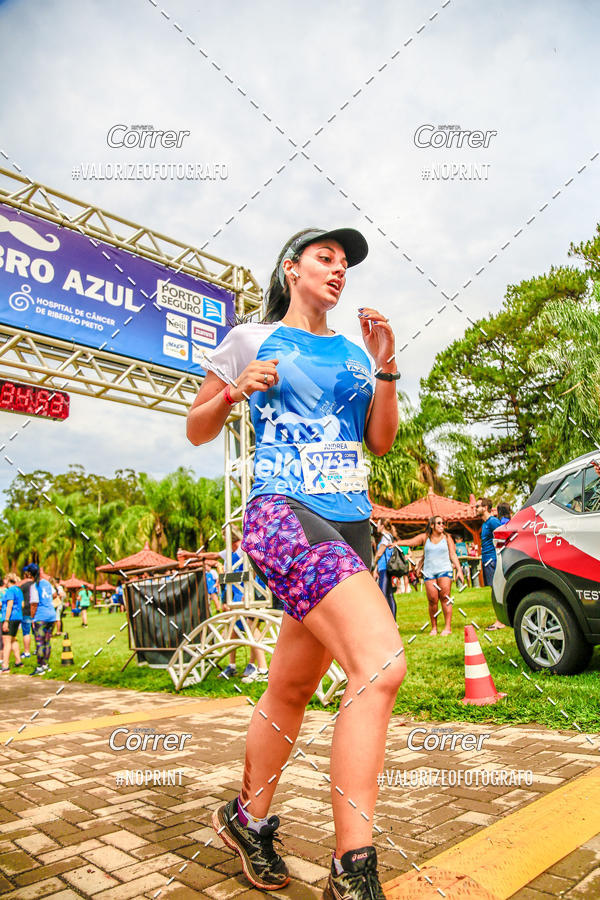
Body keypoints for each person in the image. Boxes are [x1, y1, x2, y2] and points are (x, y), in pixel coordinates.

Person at [188, 226, 405, 899]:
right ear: (292, 268)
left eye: (345, 263)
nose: (339, 270)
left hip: (350, 523)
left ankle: (246, 819)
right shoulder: (250, 339)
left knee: (290, 687)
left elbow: (380, 441)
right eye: (325, 258)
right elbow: (195, 427)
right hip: (283, 511)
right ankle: (353, 869)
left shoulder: (355, 353)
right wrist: (233, 392)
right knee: (381, 665)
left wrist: (386, 366)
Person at [217, 528, 269, 684]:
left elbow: (253, 570)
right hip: (241, 595)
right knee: (238, 629)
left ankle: (260, 668)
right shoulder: (231, 554)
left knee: (252, 626)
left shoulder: (244, 547)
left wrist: (249, 591)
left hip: (253, 592)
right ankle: (235, 666)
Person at [406, 517, 464, 635]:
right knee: (432, 600)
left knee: (445, 598)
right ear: (432, 525)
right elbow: (414, 544)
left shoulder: (447, 538)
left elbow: (452, 554)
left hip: (444, 570)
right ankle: (434, 627)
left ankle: (447, 627)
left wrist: (459, 570)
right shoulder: (426, 537)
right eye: (439, 523)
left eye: (443, 523)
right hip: (429, 572)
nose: (442, 525)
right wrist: (396, 543)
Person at [24, 564, 57, 675]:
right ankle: (46, 665)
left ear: (30, 574)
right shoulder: (47, 583)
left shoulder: (34, 586)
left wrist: (33, 618)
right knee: (47, 641)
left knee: (39, 642)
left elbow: (34, 604)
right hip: (51, 615)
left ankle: (40, 666)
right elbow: (55, 594)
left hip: (41, 616)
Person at [481, 498, 506, 631]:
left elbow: (503, 536)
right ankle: (500, 619)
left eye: (477, 506)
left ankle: (500, 621)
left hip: (492, 559)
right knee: (494, 590)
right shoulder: (485, 524)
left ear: (485, 507)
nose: (475, 509)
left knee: (497, 589)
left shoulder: (492, 521)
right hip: (487, 560)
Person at [371, 519, 396, 619]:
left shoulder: (386, 537)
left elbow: (380, 553)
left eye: (378, 524)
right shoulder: (387, 536)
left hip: (385, 568)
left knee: (384, 594)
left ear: (382, 526)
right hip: (383, 568)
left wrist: (373, 563)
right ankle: (392, 619)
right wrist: (376, 569)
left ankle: (388, 618)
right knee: (389, 594)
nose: (376, 527)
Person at [1, 573, 24, 672]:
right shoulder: (18, 590)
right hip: (18, 617)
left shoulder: (10, 590)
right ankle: (18, 661)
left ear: (7, 580)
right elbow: (22, 604)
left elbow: (9, 605)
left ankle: (5, 665)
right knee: (13, 639)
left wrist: (6, 621)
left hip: (10, 617)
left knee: (6, 641)